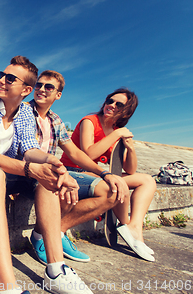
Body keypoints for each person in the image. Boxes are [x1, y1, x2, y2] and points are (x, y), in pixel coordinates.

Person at [0, 56, 93, 294]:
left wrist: (53, 163)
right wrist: (29, 169)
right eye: (1, 75)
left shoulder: (26, 113)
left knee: (46, 179)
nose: (1, 81)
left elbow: (29, 148)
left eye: (9, 78)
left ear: (25, 89)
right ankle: (8, 287)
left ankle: (56, 270)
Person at [27, 70, 129, 265]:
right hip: (27, 171)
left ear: (58, 95)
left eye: (48, 87)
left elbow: (75, 153)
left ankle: (56, 232)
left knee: (111, 192)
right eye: (39, 85)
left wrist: (105, 173)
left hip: (49, 170)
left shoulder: (55, 120)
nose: (41, 89)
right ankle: (41, 237)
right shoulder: (23, 111)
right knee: (63, 184)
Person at [60, 88, 156, 262]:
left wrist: (130, 147)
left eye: (118, 104)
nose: (111, 105)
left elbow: (131, 169)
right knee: (118, 182)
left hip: (94, 172)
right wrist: (118, 134)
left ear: (126, 111)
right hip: (73, 170)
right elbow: (87, 154)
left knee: (147, 180)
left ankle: (134, 227)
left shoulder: (115, 129)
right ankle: (126, 225)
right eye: (109, 101)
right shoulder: (90, 121)